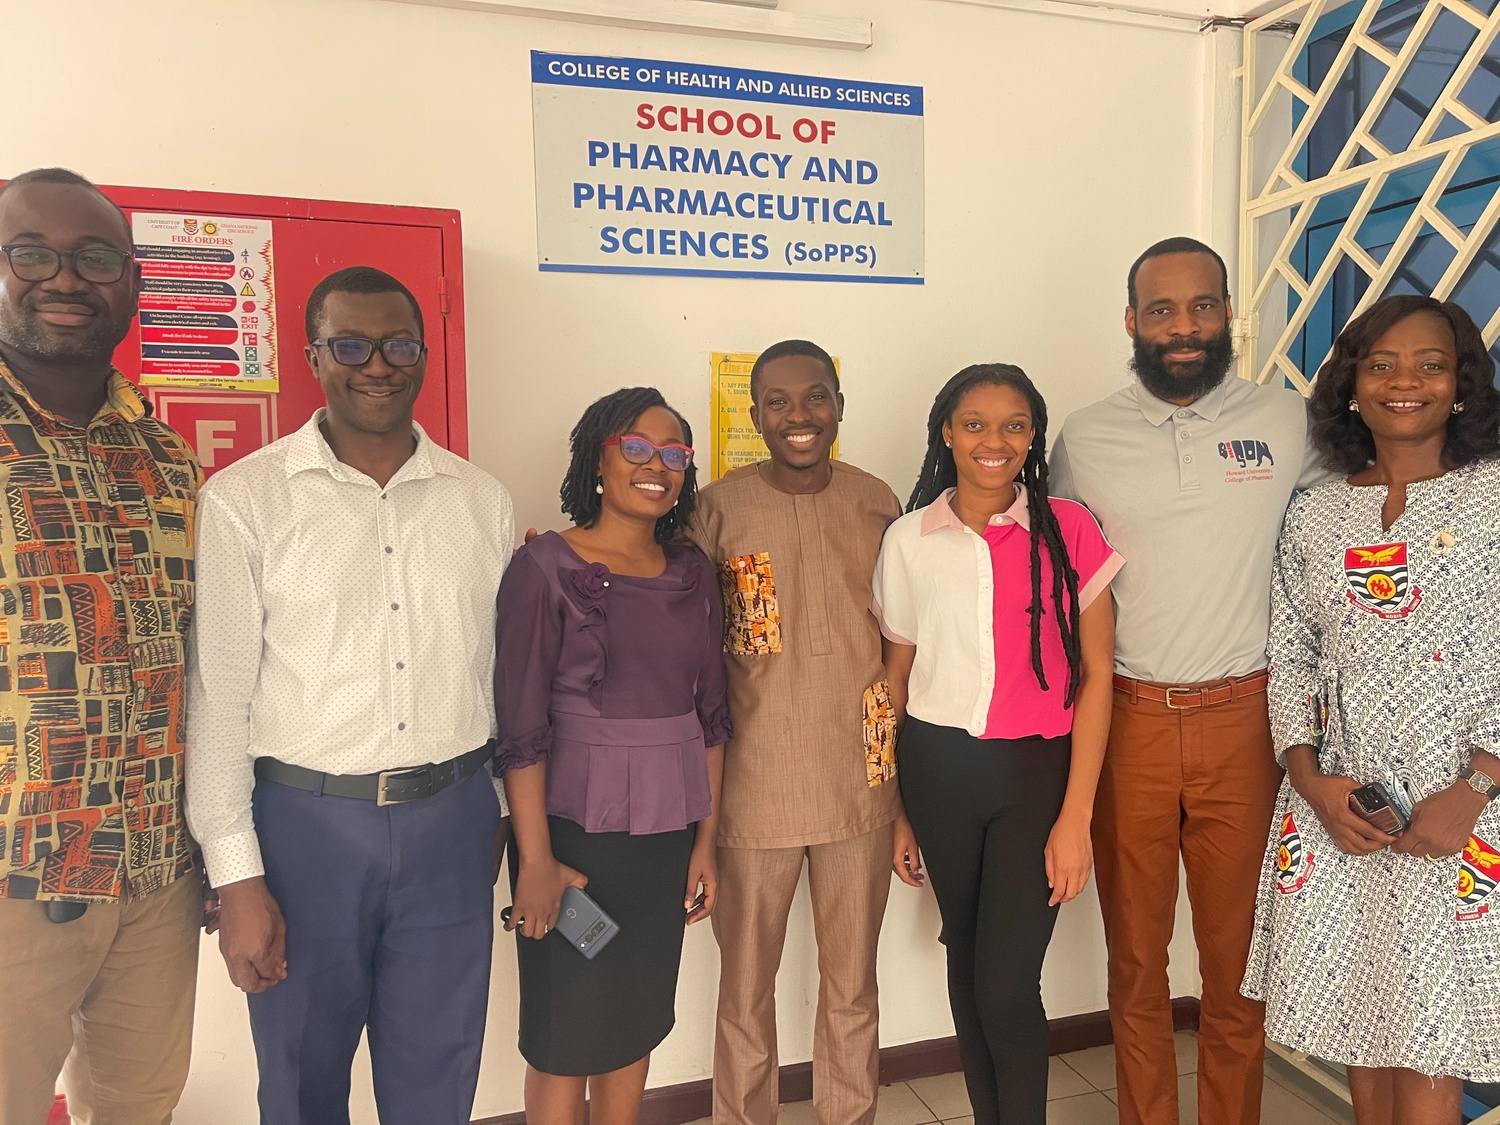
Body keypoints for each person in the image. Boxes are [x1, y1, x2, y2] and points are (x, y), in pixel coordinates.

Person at [185, 266, 514, 1125]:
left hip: (453, 829)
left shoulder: (482, 504)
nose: (378, 365)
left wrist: (503, 815)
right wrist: (238, 877)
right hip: (304, 835)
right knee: (299, 1081)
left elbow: (499, 680)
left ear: (424, 354)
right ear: (313, 356)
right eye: (351, 345)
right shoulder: (244, 501)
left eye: (399, 345)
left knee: (438, 1078)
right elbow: (219, 697)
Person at [1049, 237, 1326, 1125]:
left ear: (1227, 316)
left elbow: (1334, 551)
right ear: (1131, 323)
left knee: (1235, 964)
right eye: (1161, 310)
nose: (1182, 327)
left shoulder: (1290, 422)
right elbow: (1055, 580)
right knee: (1133, 963)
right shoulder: (1084, 437)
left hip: (1245, 724)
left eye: (1202, 306)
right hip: (1126, 720)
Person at [1243, 295, 1500, 1125]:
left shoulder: (1493, 500)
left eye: (1431, 364)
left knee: (1432, 1042)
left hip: (1462, 812)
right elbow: (1294, 656)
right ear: (1351, 384)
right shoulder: (1317, 515)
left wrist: (1475, 786)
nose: (1404, 382)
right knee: (1366, 1022)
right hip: (1345, 812)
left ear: (1460, 385)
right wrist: (1311, 780)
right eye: (1381, 363)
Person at [0, 167, 204, 1125]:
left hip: (153, 875)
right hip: (14, 878)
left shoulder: (164, 457)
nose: (65, 280)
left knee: (136, 1112)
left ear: (130, 282)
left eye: (95, 258)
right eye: (31, 254)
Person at [874, 364, 1122, 1125]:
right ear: (945, 431)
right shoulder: (909, 539)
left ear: (1033, 437)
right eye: (974, 422)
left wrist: (1076, 814)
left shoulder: (1069, 527)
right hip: (938, 770)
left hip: (1034, 777)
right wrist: (897, 812)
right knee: (966, 966)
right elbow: (893, 683)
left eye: (1014, 424)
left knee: (1008, 983)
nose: (995, 440)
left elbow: (1098, 675)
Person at [688, 339, 913, 1125]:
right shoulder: (716, 508)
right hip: (753, 791)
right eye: (778, 402)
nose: (798, 415)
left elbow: (903, 645)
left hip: (862, 783)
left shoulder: (876, 501)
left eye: (814, 397)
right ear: (754, 416)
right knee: (745, 993)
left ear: (839, 406)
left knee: (853, 987)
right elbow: (681, 639)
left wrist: (902, 785)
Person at [495, 386, 730, 1125]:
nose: (655, 465)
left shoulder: (694, 574)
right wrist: (534, 859)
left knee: (633, 1022)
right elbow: (521, 730)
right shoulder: (543, 567)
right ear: (598, 457)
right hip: (571, 839)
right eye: (635, 447)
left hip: (664, 836)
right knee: (566, 1034)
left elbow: (713, 717)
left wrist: (706, 842)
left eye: (672, 453)